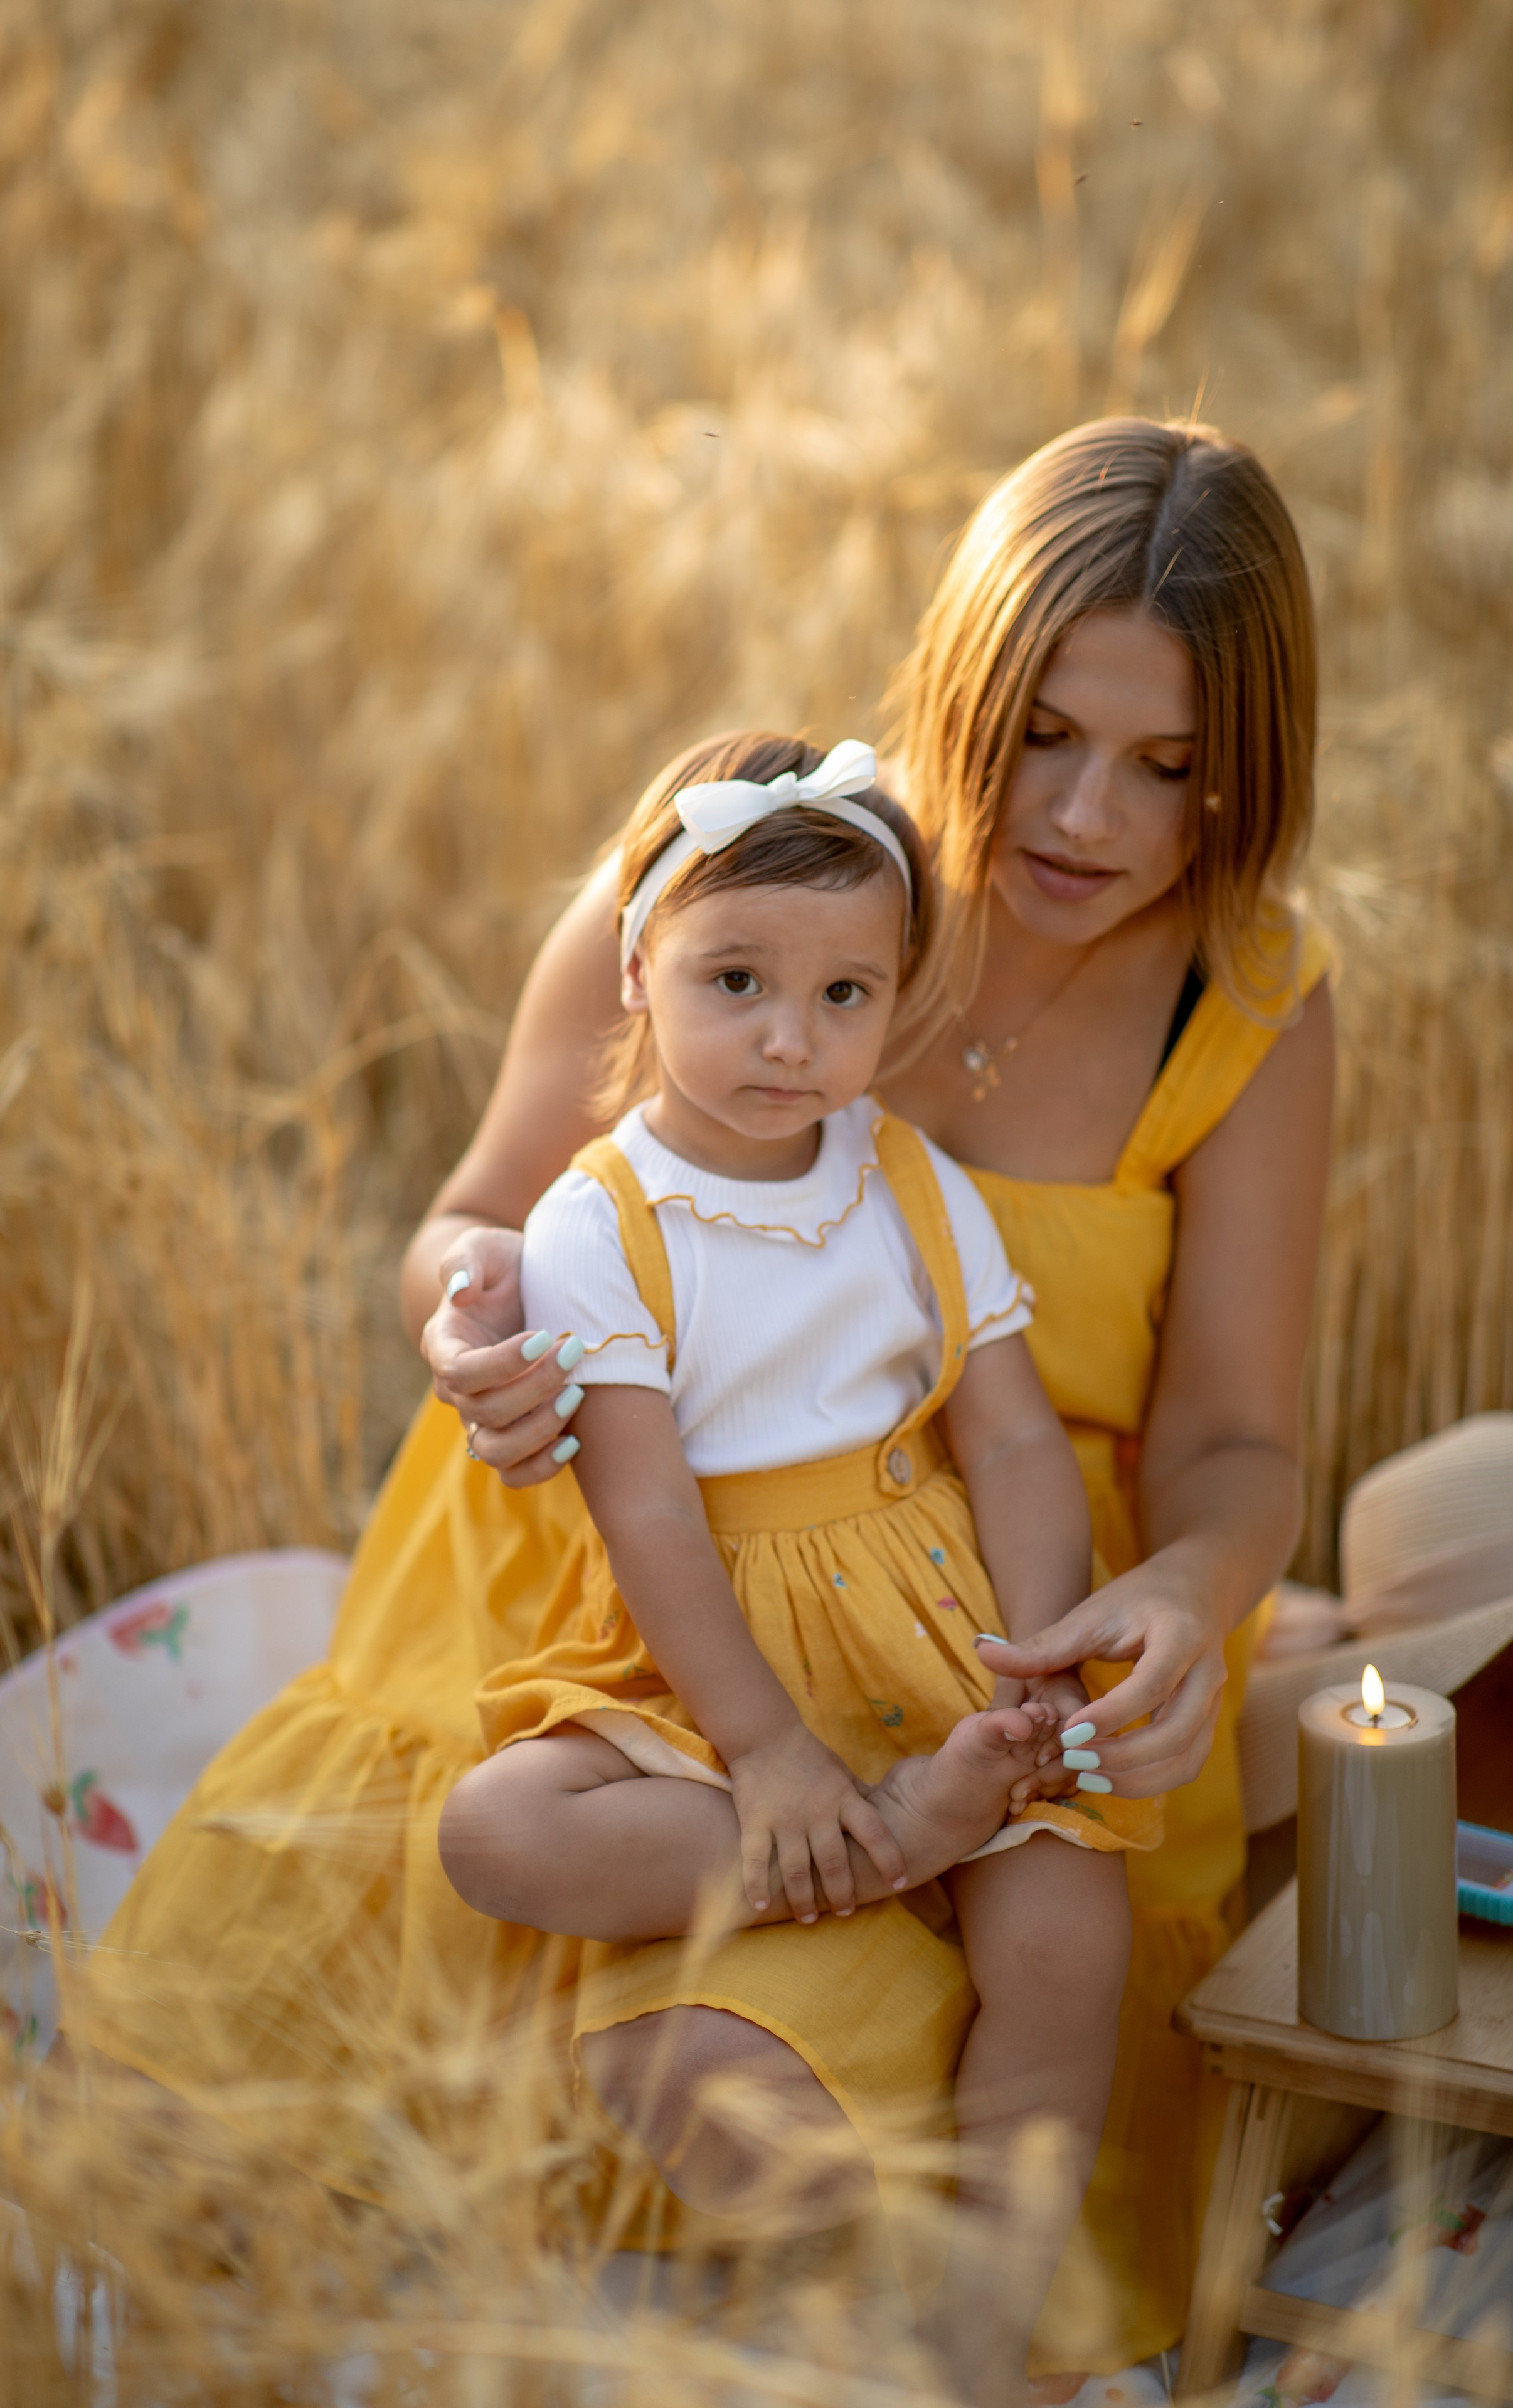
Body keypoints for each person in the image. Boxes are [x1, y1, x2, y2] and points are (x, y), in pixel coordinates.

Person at [77, 416, 1334, 2376]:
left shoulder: (1242, 999)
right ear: (958, 685)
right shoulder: (753, 864)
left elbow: (1238, 1440)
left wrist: (1181, 1594)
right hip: (619, 1584)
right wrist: (472, 1318)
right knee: (328, 2075)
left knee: (1052, 2014)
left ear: (1244, 774)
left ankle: (918, 2010)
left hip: (981, 1626)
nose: (1090, 817)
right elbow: (478, 1221)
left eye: (1169, 771)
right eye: (1042, 740)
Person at [438, 726, 1164, 2380]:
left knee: (1069, 1926)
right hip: (718, 1644)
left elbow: (1012, 1437)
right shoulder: (595, 1218)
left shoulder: (904, 1175)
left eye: (846, 996)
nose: (790, 1039)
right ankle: (879, 1843)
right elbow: (645, 1509)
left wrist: (1039, 1657)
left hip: (927, 1612)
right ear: (640, 972)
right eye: (738, 982)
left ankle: (993, 2297)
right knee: (497, 1829)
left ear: (897, 1001)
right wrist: (764, 1750)